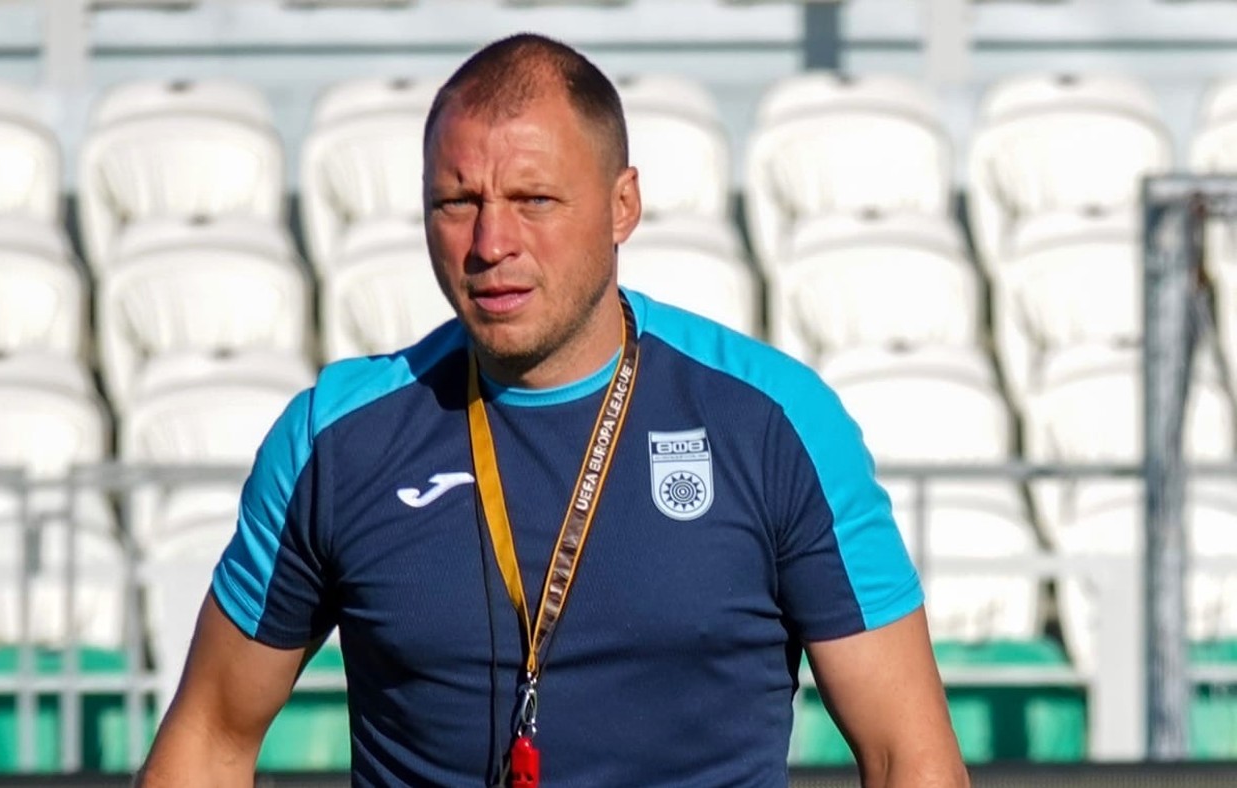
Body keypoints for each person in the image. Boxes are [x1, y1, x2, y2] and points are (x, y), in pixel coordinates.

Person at [137, 33, 969, 788]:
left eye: (533, 199)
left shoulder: (776, 423)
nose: (490, 244)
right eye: (456, 202)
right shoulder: (334, 441)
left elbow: (908, 756)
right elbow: (209, 740)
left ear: (622, 206)